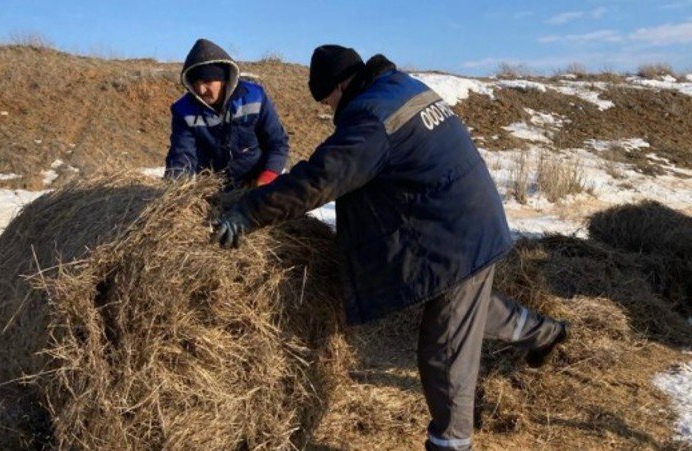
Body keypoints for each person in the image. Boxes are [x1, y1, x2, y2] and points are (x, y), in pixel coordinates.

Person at [212, 45, 568, 450]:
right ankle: (541, 333)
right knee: (467, 308)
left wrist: (250, 211)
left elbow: (322, 178)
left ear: (340, 86)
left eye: (327, 101)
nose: (330, 110)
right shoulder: (399, 86)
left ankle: (451, 442)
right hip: (470, 216)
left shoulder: (370, 118)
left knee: (443, 348)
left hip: (453, 235)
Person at [165, 38, 289, 187]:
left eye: (207, 82)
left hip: (256, 183)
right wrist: (176, 187)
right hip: (212, 188)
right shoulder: (183, 110)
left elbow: (277, 144)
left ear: (223, 80)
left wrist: (266, 179)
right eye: (196, 83)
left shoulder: (255, 98)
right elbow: (182, 155)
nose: (201, 90)